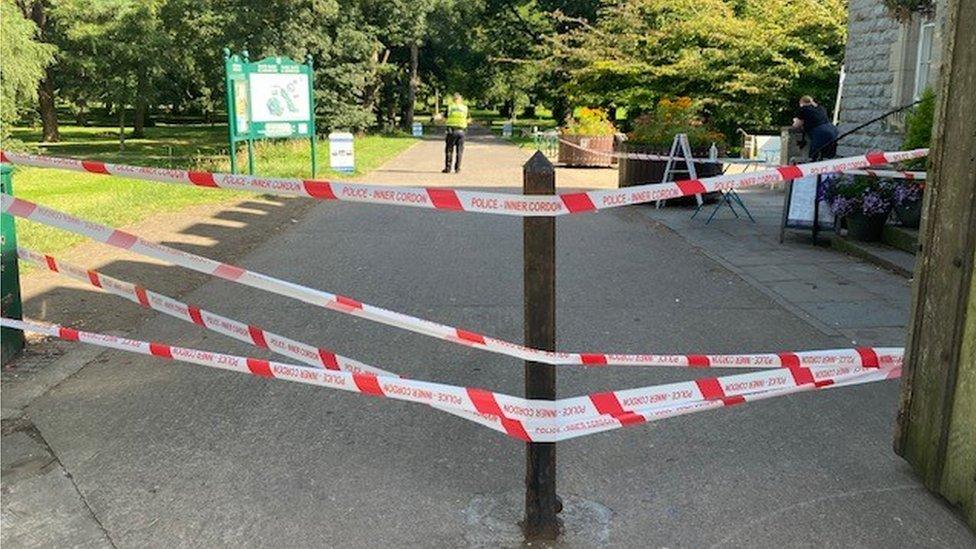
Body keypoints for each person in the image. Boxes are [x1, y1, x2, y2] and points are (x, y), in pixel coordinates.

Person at [792, 95, 839, 160]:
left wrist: (795, 120)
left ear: (802, 103)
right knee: (828, 157)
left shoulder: (804, 109)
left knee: (813, 157)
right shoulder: (821, 108)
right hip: (833, 130)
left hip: (820, 133)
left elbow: (796, 125)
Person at [443, 94, 468, 173]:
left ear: (453, 99)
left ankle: (448, 168)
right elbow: (469, 119)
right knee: (459, 151)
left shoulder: (450, 107)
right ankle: (457, 168)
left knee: (449, 150)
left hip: (451, 131)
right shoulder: (465, 108)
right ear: (461, 100)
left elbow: (444, 118)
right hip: (461, 131)